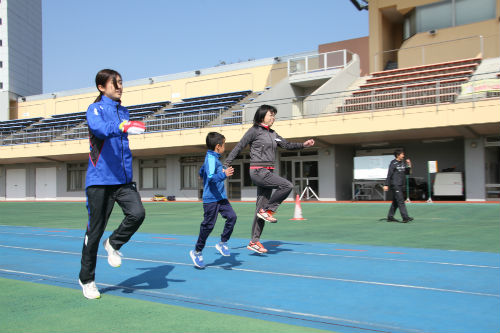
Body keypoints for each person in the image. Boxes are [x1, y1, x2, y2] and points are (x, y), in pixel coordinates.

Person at [79, 69, 146, 299]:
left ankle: (114, 243)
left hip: (124, 180)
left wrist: (127, 125)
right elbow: (99, 129)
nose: (119, 86)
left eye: (120, 82)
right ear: (101, 87)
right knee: (94, 232)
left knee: (137, 214)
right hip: (100, 181)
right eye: (114, 83)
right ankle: (86, 279)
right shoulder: (94, 109)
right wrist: (122, 127)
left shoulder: (123, 111)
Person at [224, 105, 315, 254]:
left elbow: (286, 145)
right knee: (287, 186)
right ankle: (267, 210)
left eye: (274, 116)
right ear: (261, 116)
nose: (273, 118)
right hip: (258, 172)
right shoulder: (254, 131)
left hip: (267, 172)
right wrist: (226, 164)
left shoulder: (273, 134)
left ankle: (254, 241)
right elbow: (239, 147)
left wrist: (303, 145)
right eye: (270, 115)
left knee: (260, 209)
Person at [190, 132, 237, 269]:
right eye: (224, 145)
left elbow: (203, 171)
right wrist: (224, 174)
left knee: (232, 217)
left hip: (221, 197)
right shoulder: (210, 158)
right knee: (208, 226)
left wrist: (202, 174)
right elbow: (210, 178)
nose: (225, 147)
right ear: (218, 146)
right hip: (211, 199)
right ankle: (197, 251)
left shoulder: (213, 158)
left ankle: (223, 242)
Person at [383, 149, 414, 223]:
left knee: (396, 202)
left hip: (400, 185)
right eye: (402, 154)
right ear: (398, 155)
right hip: (395, 184)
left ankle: (390, 217)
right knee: (401, 201)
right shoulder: (393, 163)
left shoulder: (402, 163)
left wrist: (409, 164)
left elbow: (407, 173)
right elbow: (389, 174)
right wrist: (386, 184)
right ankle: (405, 217)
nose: (403, 155)